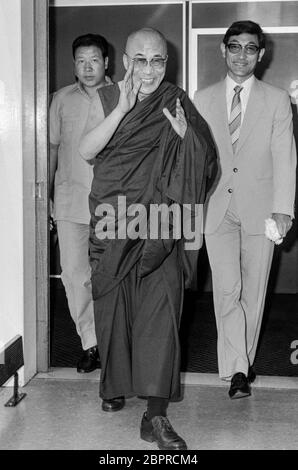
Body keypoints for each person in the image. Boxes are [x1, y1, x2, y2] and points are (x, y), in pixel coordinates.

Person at [79, 28, 217, 450]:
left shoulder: (176, 101)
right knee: (114, 312)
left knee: (161, 316)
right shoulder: (106, 98)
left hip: (163, 226)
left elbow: (206, 163)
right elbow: (87, 150)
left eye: (158, 60)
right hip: (114, 223)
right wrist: (121, 109)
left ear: (167, 63)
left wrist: (184, 139)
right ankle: (114, 385)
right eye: (141, 60)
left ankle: (155, 415)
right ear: (124, 62)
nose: (150, 70)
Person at [194, 20, 296, 399]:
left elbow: (285, 157)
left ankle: (240, 363)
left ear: (261, 54)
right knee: (226, 290)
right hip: (215, 207)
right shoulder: (201, 99)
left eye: (250, 48)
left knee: (253, 292)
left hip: (262, 209)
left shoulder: (276, 100)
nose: (241, 55)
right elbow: (193, 159)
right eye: (234, 47)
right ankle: (238, 369)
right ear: (223, 50)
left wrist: (284, 208)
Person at [49, 33, 113, 373]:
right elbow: (51, 149)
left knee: (111, 276)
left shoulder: (122, 97)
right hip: (71, 201)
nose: (87, 68)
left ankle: (114, 341)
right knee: (75, 275)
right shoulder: (60, 99)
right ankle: (90, 343)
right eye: (81, 61)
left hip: (113, 204)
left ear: (107, 62)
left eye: (94, 60)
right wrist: (44, 193)